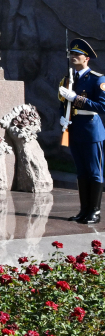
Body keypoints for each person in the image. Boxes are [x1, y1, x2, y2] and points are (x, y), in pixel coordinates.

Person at [58, 38, 105, 225]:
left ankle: (95, 211)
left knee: (94, 171)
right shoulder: (68, 79)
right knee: (81, 172)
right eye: (72, 53)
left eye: (77, 54)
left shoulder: (97, 79)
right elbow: (63, 103)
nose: (73, 57)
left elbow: (102, 106)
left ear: (87, 58)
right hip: (74, 129)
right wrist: (63, 116)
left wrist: (77, 99)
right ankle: (84, 210)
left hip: (91, 130)